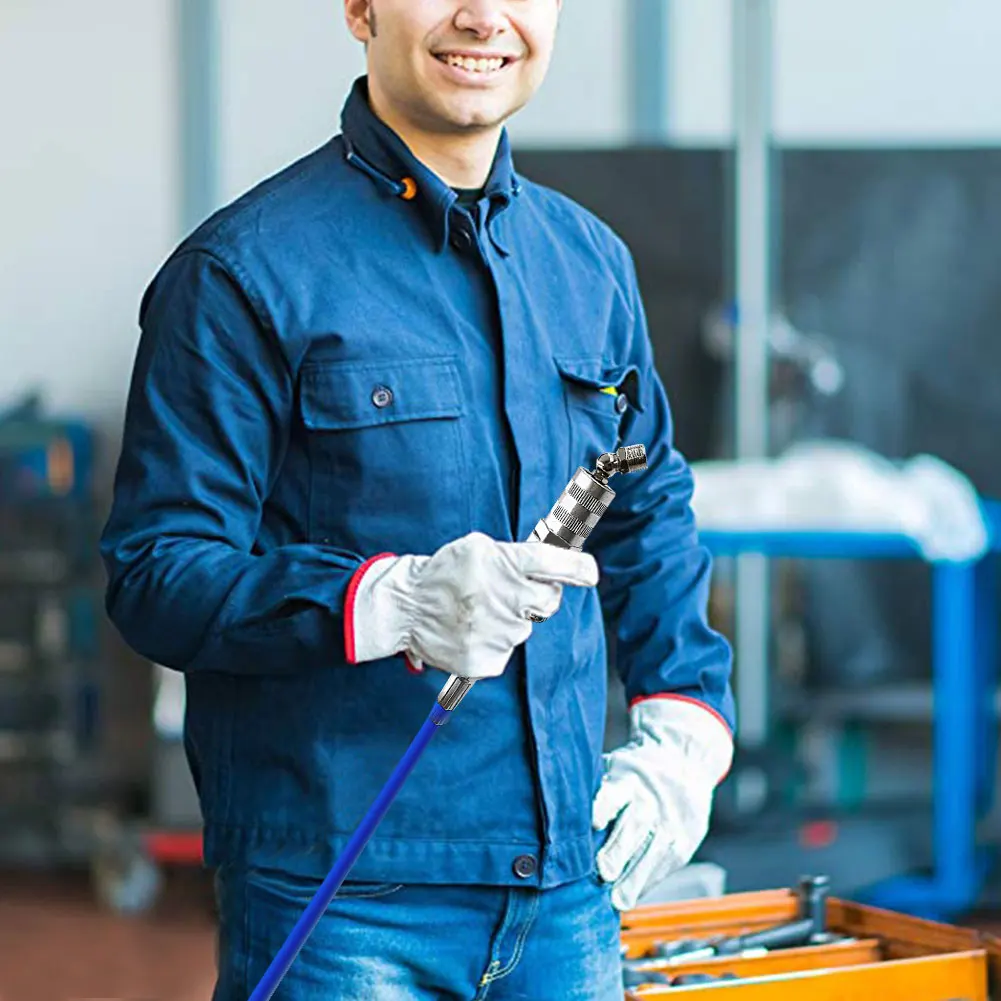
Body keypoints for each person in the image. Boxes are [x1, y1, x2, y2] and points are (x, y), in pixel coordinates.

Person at [99, 1, 736, 998]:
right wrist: (385, 601)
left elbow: (644, 501)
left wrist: (684, 721)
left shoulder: (588, 264)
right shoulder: (242, 274)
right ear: (360, 8)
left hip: (571, 888)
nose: (483, 18)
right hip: (345, 902)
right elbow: (156, 571)